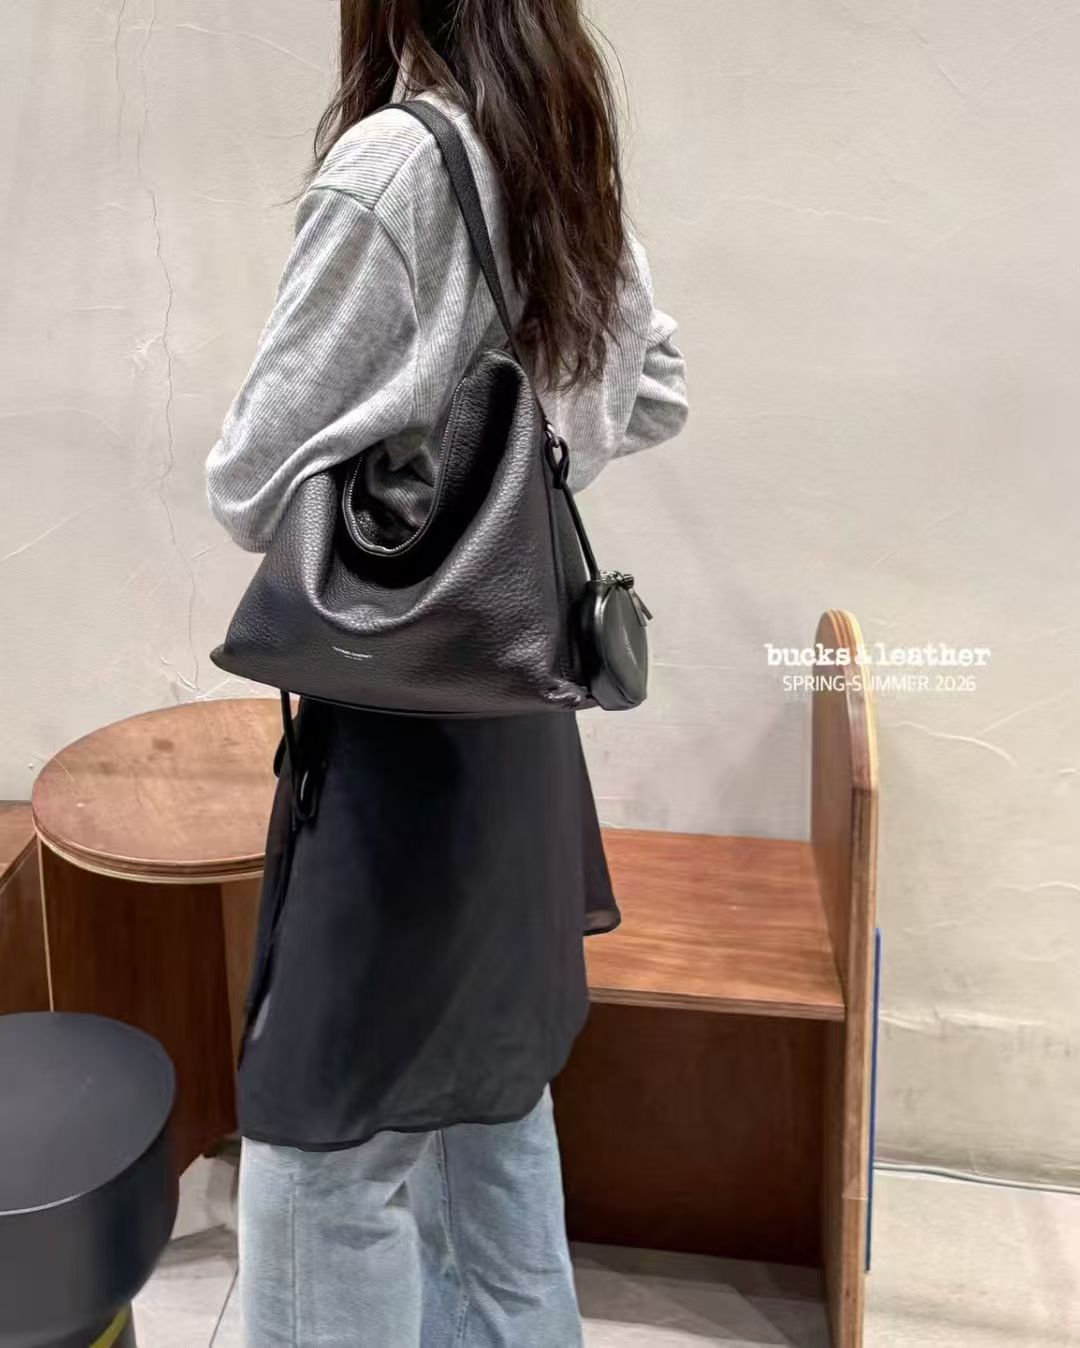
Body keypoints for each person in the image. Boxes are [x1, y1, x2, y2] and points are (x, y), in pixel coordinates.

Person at [205, 1, 687, 1343]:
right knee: (490, 1115)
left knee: (325, 1151)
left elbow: (249, 482)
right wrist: (513, 476)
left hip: (399, 741)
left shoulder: (394, 165)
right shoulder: (558, 148)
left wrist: (419, 470)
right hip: (520, 710)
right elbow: (654, 389)